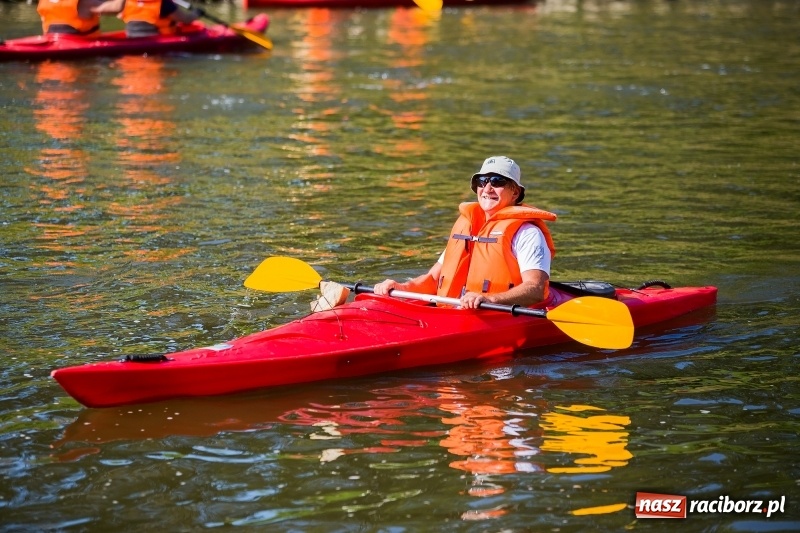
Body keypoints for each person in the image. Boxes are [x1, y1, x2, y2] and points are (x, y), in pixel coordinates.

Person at [374, 156, 557, 309]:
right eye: (482, 181)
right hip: (454, 312)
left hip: (497, 313)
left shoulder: (528, 233)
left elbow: (535, 289)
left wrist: (490, 299)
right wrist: (402, 287)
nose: (487, 189)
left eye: (497, 181)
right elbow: (432, 279)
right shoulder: (466, 226)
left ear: (515, 192)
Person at [91, 0, 198, 38]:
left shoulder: (128, 1)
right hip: (157, 42)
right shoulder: (164, 3)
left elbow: (119, 15)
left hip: (131, 38)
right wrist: (196, 13)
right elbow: (186, 20)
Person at [37, 0, 106, 37]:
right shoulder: (84, 2)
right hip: (83, 51)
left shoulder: (44, 1)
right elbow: (114, 8)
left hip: (51, 46)